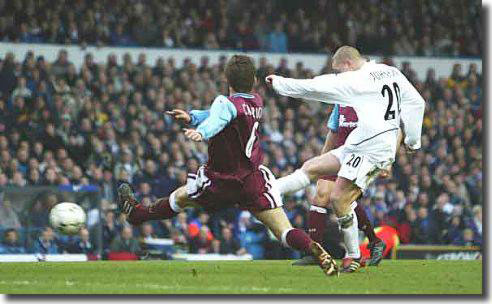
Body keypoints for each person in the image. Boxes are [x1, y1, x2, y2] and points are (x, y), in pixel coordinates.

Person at [118, 55, 338, 276]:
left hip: (221, 182)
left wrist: (201, 131)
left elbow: (217, 120)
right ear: (253, 80)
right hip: (251, 180)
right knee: (283, 231)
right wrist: (193, 117)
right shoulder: (256, 101)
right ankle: (311, 246)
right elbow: (220, 116)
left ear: (227, 79)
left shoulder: (224, 103)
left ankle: (139, 214)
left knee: (180, 198)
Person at [266, 46, 425, 270]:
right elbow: (417, 103)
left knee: (339, 199)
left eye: (339, 70)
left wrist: (280, 83)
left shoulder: (356, 81)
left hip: (374, 149)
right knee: (311, 167)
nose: (339, 75)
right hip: (359, 143)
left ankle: (353, 255)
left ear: (349, 64)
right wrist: (413, 141)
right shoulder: (390, 72)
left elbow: (313, 87)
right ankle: (268, 192)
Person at [293, 103, 393, 272]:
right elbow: (333, 132)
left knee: (342, 200)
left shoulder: (371, 102)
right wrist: (322, 160)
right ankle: (315, 252)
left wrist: (386, 162)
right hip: (338, 156)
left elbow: (388, 133)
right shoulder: (340, 104)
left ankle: (366, 246)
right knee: (321, 195)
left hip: (360, 158)